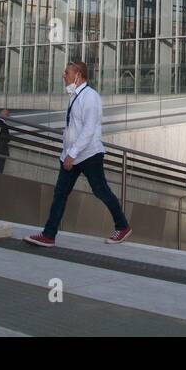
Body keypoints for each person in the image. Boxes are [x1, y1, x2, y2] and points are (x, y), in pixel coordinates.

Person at [25, 61, 131, 248]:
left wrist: (72, 154)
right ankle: (49, 235)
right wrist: (66, 153)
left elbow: (89, 129)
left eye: (67, 72)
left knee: (100, 190)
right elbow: (73, 128)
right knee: (60, 193)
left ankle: (122, 226)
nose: (63, 76)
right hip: (71, 155)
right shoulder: (75, 96)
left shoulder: (90, 97)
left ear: (79, 75)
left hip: (88, 154)